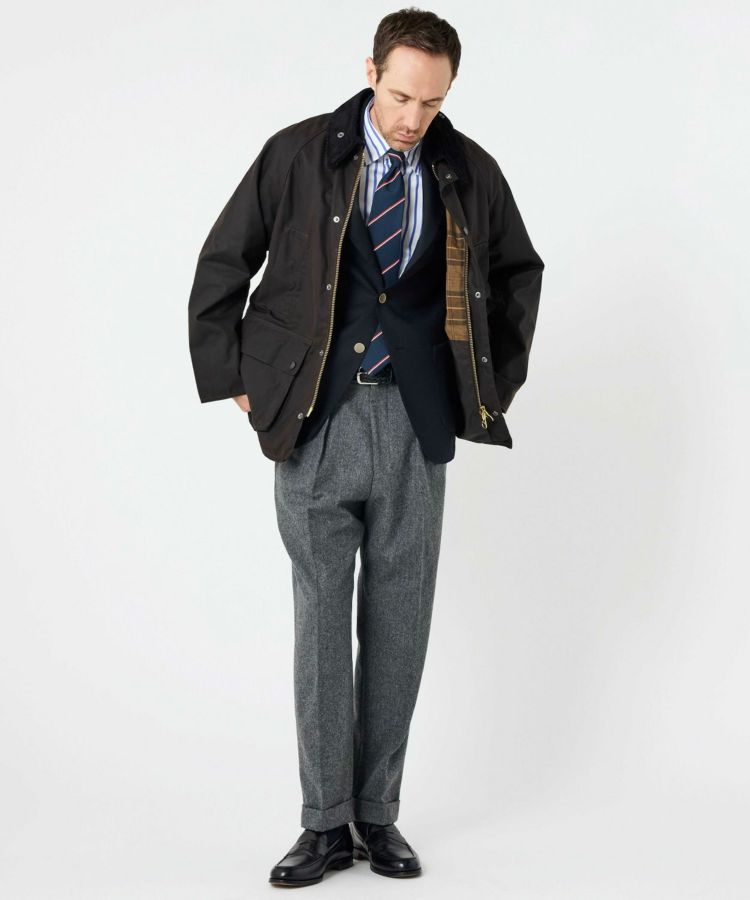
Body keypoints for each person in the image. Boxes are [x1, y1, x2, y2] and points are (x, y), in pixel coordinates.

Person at [187, 7, 544, 888]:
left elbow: (518, 273)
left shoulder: (468, 169)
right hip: (314, 419)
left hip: (418, 425)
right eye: (401, 95)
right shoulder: (298, 154)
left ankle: (378, 816)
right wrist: (239, 378)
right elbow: (223, 265)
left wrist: (488, 386)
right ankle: (323, 824)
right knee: (320, 625)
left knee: (399, 623)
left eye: (433, 101)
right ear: (371, 72)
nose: (413, 117)